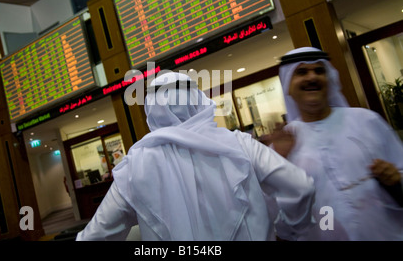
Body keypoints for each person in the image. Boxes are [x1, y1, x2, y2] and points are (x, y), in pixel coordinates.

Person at [76, 71, 315, 241]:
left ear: (151, 109)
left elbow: (95, 236)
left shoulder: (134, 168)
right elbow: (300, 187)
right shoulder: (240, 144)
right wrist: (286, 229)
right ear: (197, 99)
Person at [269, 46, 403, 240]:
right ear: (288, 85)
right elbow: (281, 223)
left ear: (329, 79)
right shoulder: (282, 146)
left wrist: (395, 180)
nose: (312, 77)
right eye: (301, 72)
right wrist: (279, 160)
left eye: (319, 71)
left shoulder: (366, 121)